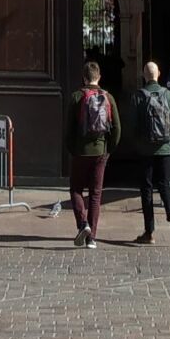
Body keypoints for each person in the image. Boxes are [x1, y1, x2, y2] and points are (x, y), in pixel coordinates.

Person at [65, 59, 120, 249]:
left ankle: (83, 224)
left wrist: (72, 148)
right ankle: (92, 238)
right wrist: (108, 148)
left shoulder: (76, 97)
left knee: (76, 189)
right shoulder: (108, 97)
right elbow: (117, 128)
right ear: (99, 77)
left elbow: (69, 128)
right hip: (100, 151)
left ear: (84, 77)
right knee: (96, 194)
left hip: (80, 151)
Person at [130, 60, 170, 245]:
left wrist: (139, 142)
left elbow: (133, 124)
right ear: (158, 73)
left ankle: (149, 232)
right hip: (164, 149)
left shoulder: (138, 96)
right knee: (164, 184)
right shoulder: (169, 96)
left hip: (145, 151)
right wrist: (168, 138)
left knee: (146, 189)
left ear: (144, 75)